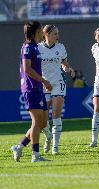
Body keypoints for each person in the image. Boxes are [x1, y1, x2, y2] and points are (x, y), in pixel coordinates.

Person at [11, 21, 52, 162]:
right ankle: (35, 155)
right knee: (36, 121)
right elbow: (27, 69)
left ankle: (19, 146)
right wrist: (44, 81)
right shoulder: (28, 47)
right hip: (31, 89)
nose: (43, 33)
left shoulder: (35, 47)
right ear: (36, 32)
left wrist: (42, 82)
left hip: (38, 88)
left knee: (43, 123)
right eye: (41, 30)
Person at [38, 24, 75, 155]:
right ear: (46, 34)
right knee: (42, 120)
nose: (58, 36)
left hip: (58, 83)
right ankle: (48, 137)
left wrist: (67, 69)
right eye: (55, 34)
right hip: (44, 85)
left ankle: (55, 146)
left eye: (58, 33)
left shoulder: (61, 47)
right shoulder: (38, 48)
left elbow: (64, 63)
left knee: (56, 115)